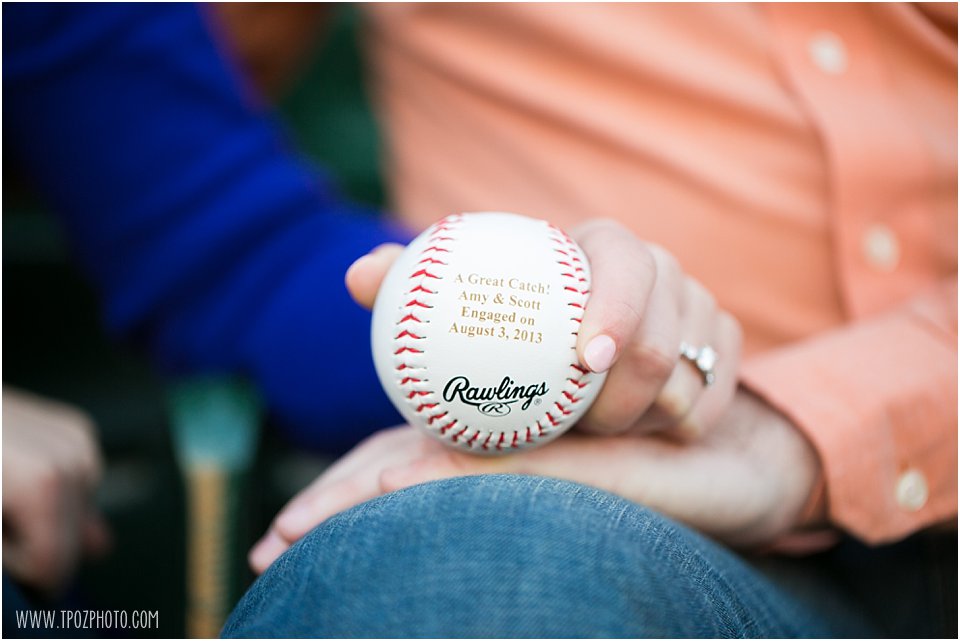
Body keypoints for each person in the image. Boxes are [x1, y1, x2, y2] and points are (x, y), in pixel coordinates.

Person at [4, 3, 955, 637]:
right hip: (650, 520)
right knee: (466, 567)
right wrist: (491, 377)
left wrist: (794, 433)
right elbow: (113, 91)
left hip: (730, 465)